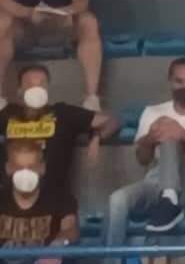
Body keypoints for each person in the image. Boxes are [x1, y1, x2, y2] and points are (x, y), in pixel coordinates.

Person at [107, 60, 185, 248]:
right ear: (170, 81)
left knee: (170, 131)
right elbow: (142, 159)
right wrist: (151, 138)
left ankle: (170, 199)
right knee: (117, 199)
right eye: (179, 81)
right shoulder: (152, 112)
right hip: (157, 181)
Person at [5, 61, 116, 216]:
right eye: (30, 84)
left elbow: (110, 121)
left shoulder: (63, 113)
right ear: (20, 90)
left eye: (42, 84)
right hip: (9, 200)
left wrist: (96, 137)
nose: (36, 88)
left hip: (53, 199)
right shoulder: (8, 114)